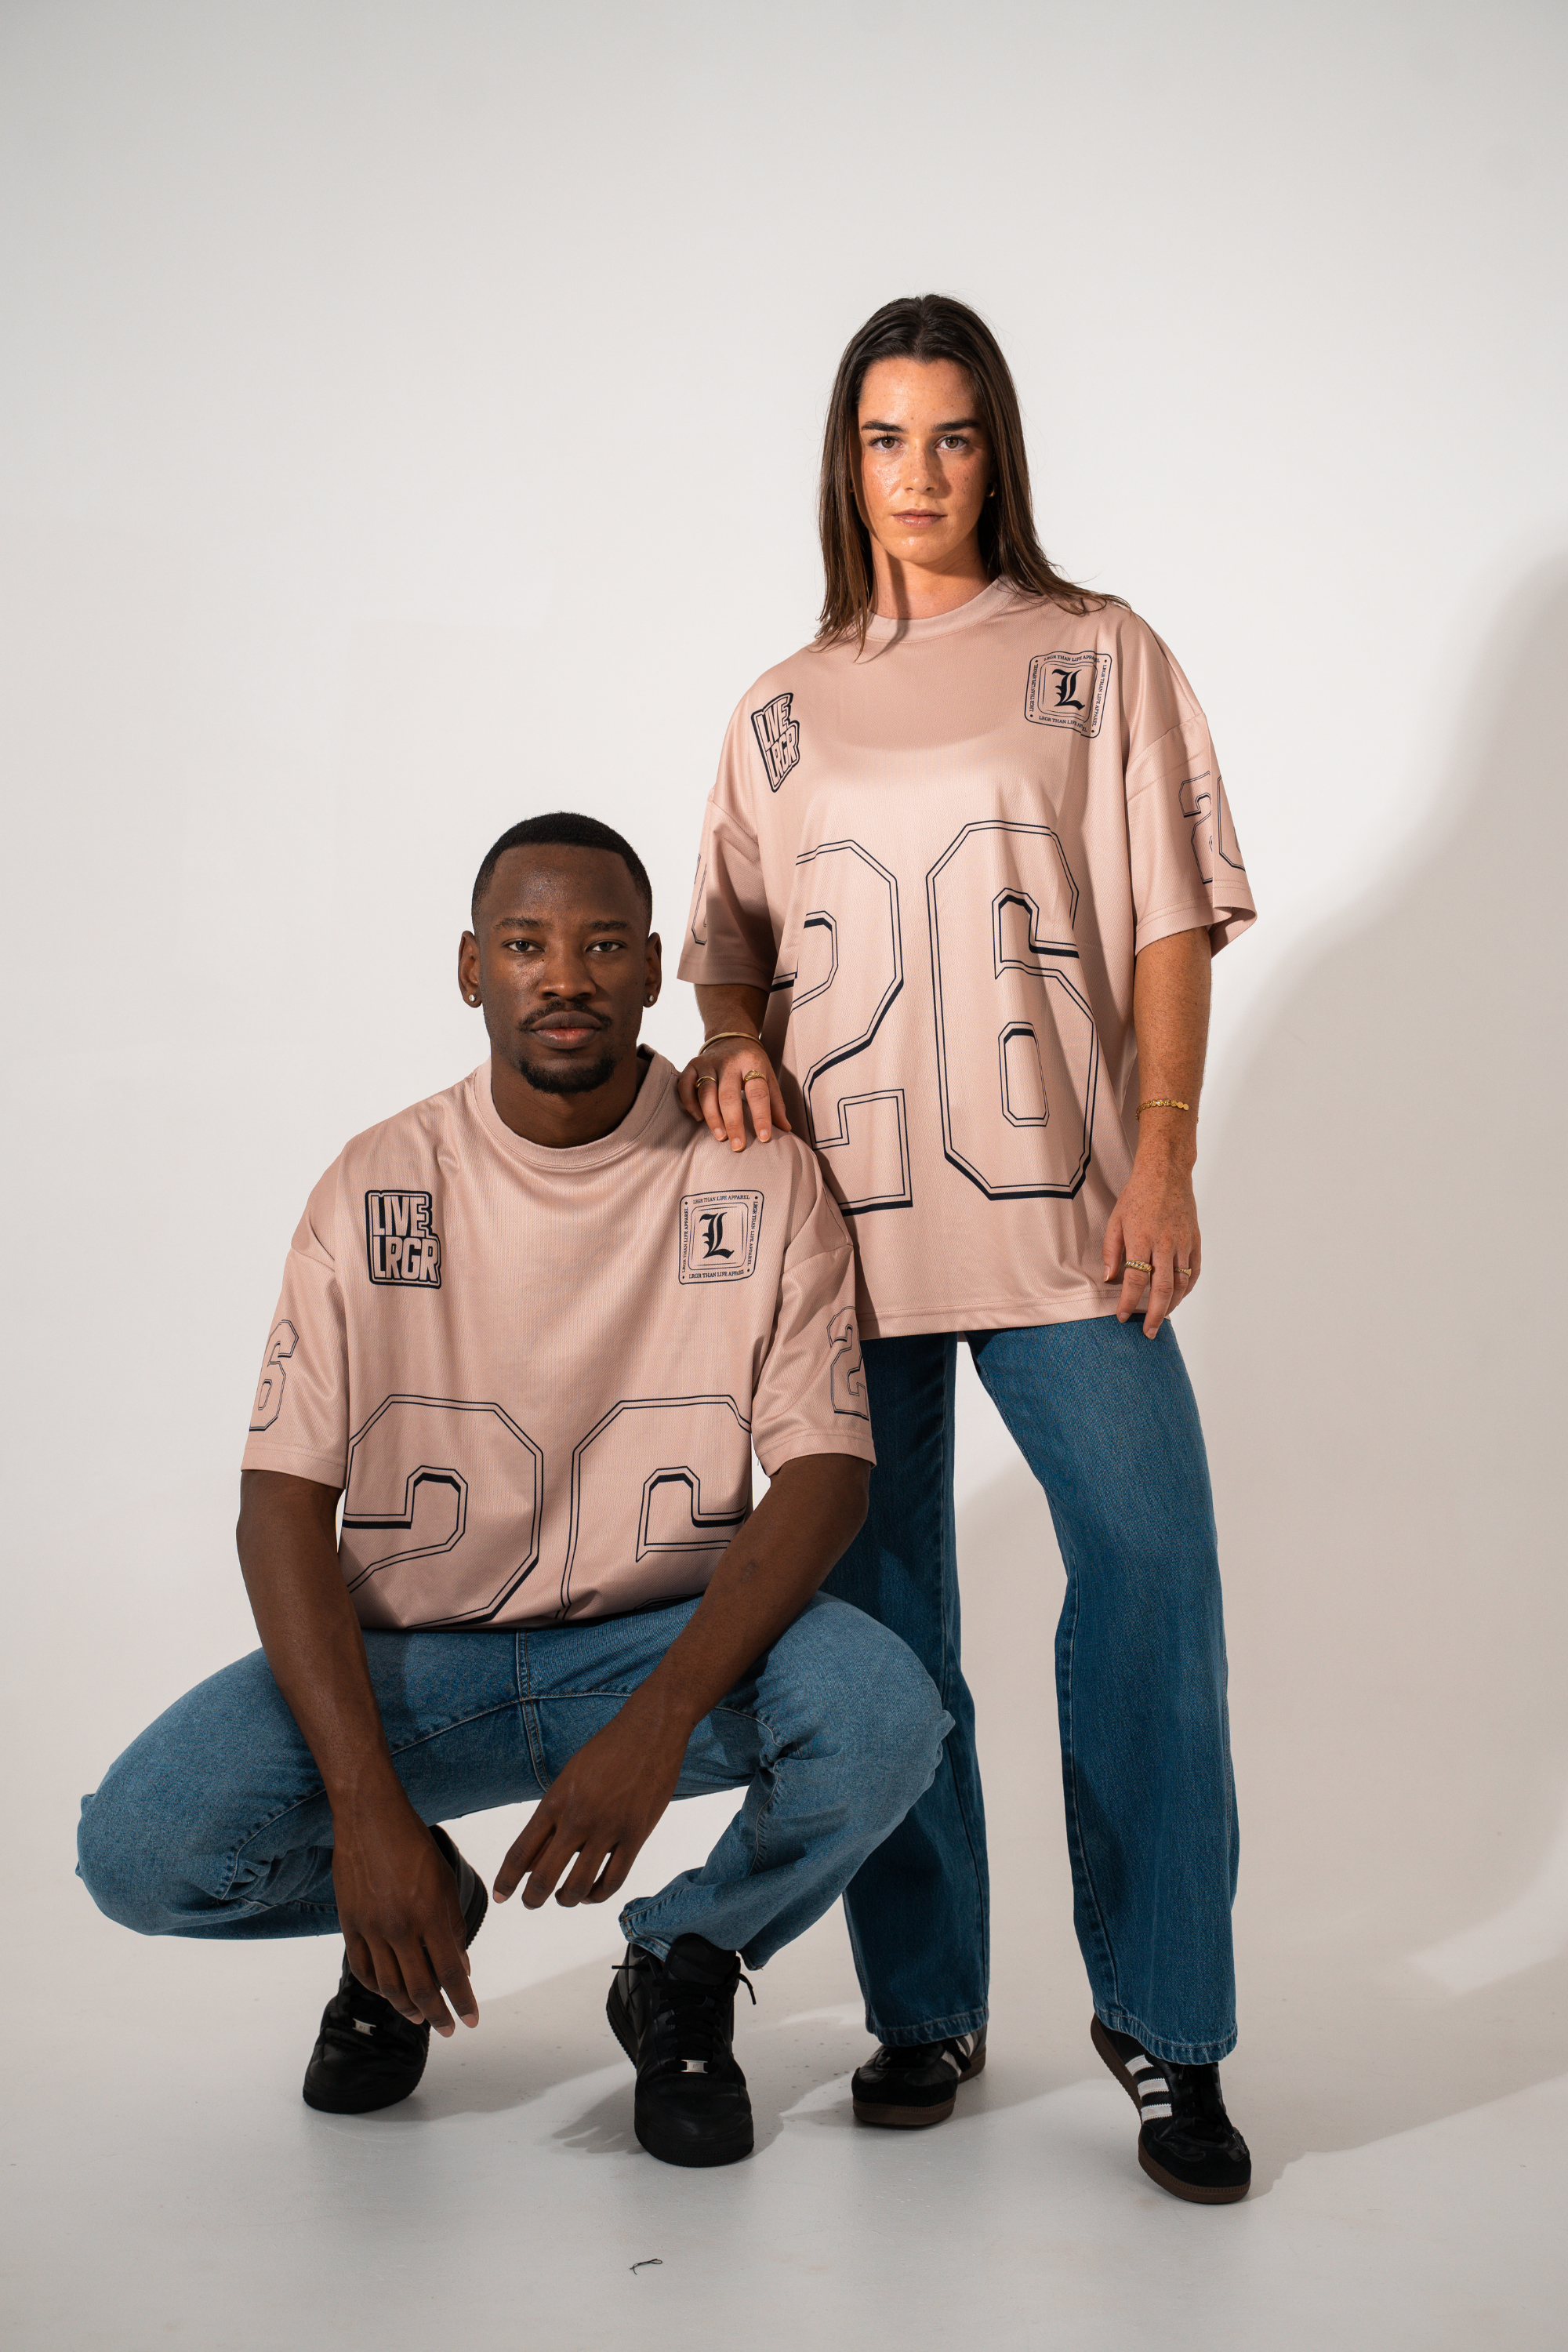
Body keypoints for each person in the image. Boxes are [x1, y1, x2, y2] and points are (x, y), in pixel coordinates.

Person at [77, 812, 950, 2171]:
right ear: (471, 968)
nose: (566, 978)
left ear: (656, 969)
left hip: (655, 1646)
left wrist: (659, 1726)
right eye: (529, 946)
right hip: (414, 1663)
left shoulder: (757, 1169)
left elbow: (828, 1477)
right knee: (139, 1849)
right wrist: (368, 1818)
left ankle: (683, 1960)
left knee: (885, 1711)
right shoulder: (377, 1183)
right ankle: (412, 1920)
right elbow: (278, 1503)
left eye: (603, 946)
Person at [677, 296, 1256, 2202]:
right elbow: (726, 948)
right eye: (879, 439)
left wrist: (1160, 1157)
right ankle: (921, 2006)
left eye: (948, 437)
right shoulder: (779, 705)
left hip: (1067, 1213)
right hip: (843, 1242)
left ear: (996, 449)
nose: (914, 476)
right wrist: (742, 1040)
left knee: (1152, 1577)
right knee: (891, 1626)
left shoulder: (1097, 657)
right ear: (841, 462)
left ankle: (1169, 2031)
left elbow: (1168, 919)